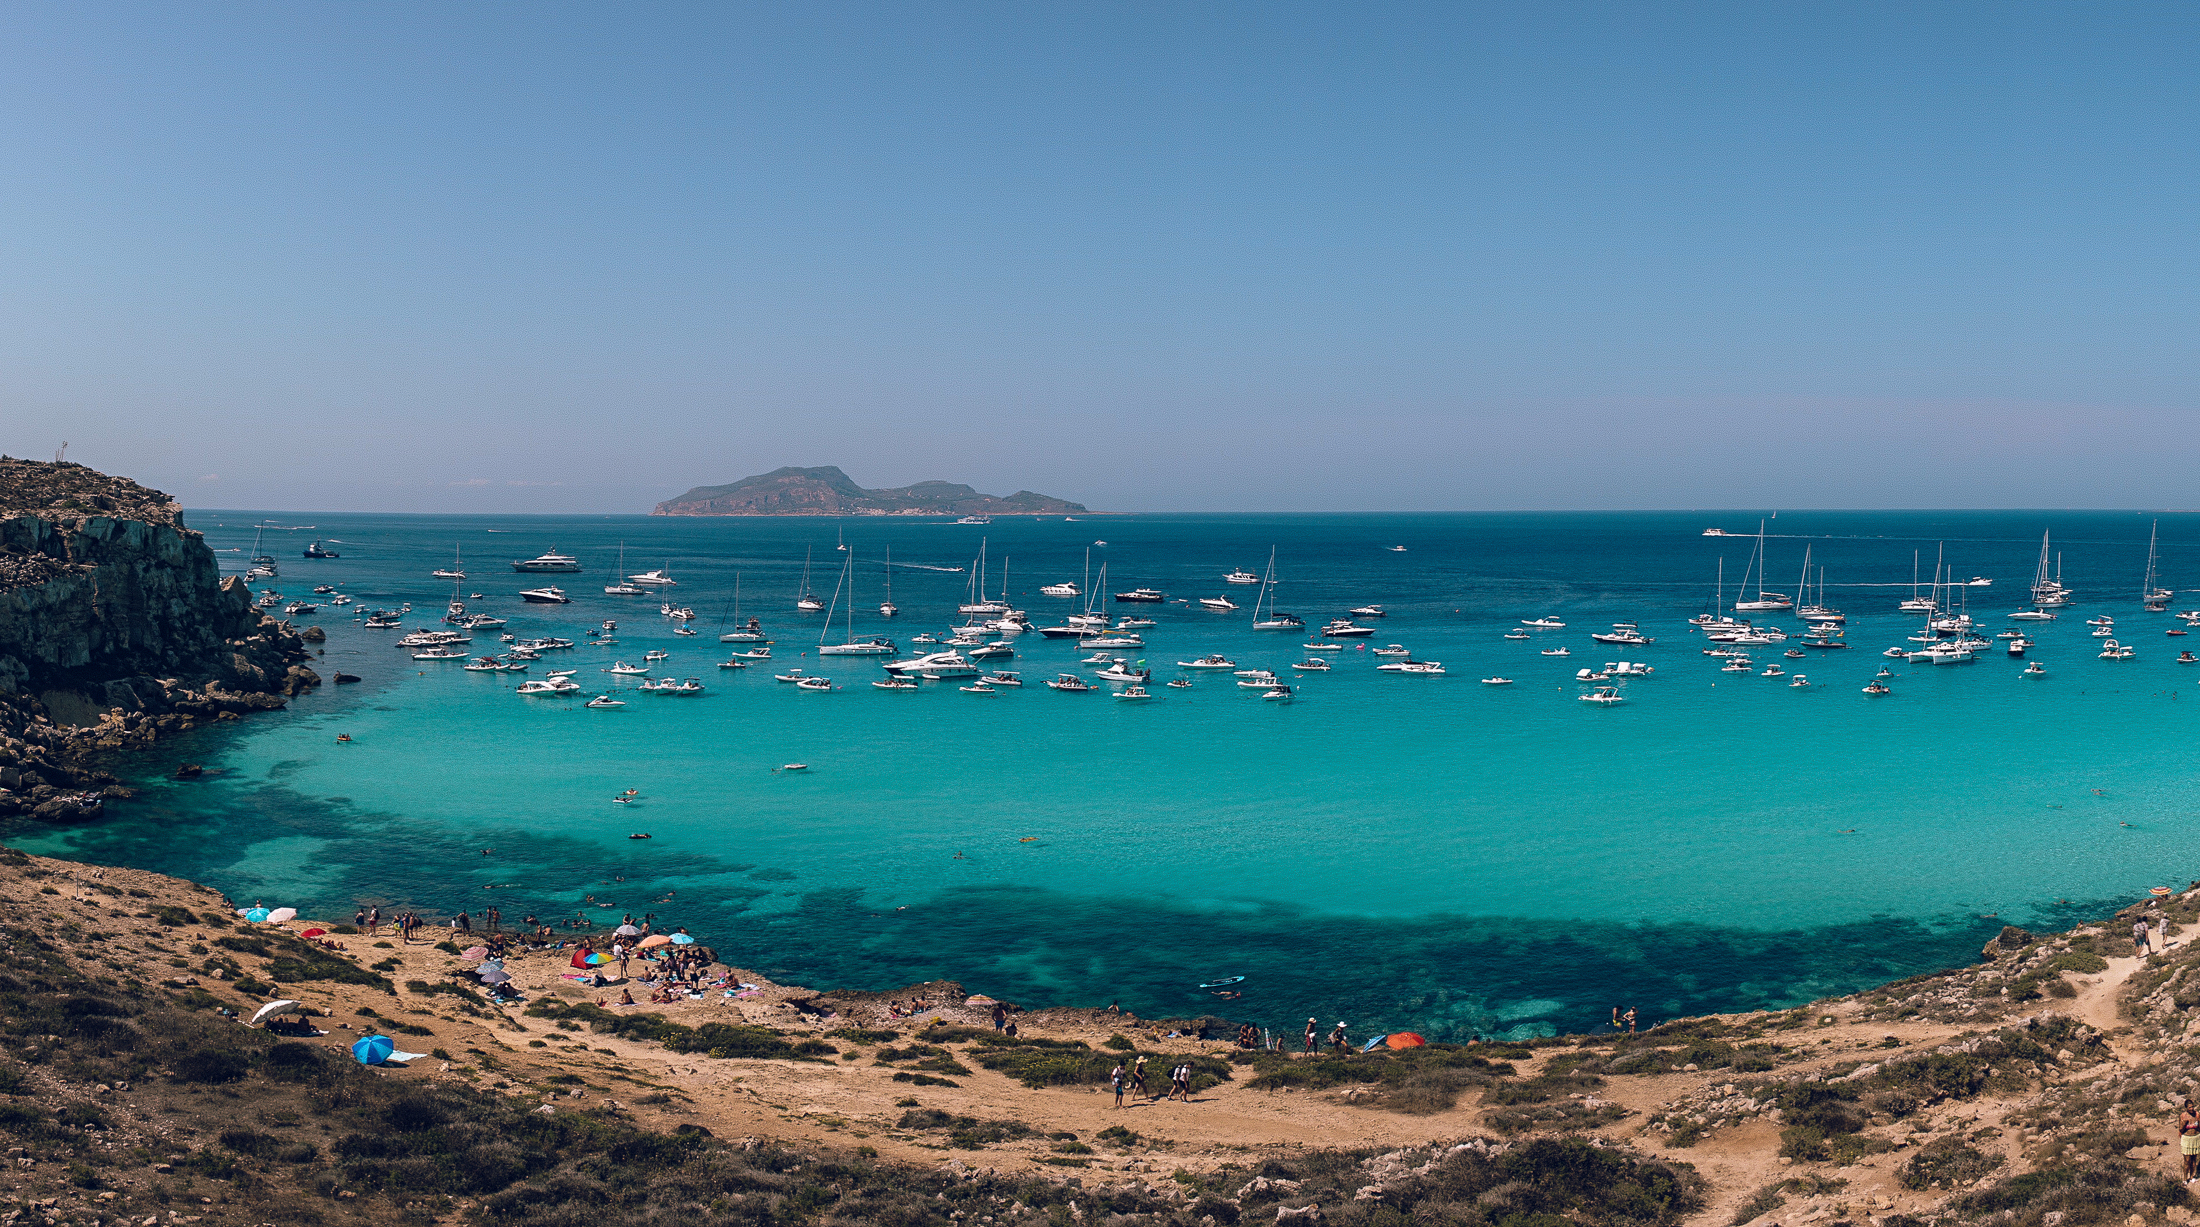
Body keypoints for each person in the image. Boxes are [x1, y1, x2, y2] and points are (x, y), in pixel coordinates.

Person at [2181, 1099, 2199, 1181]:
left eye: (2192, 1107)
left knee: (2194, 1160)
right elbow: (2180, 1130)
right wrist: (2184, 1123)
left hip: (2196, 1138)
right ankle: (2185, 1179)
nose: (2191, 1109)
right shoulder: (2183, 1116)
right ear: (2186, 1108)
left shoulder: (2197, 1114)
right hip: (2187, 1139)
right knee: (2187, 1161)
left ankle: (2192, 1177)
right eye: (2189, 1107)